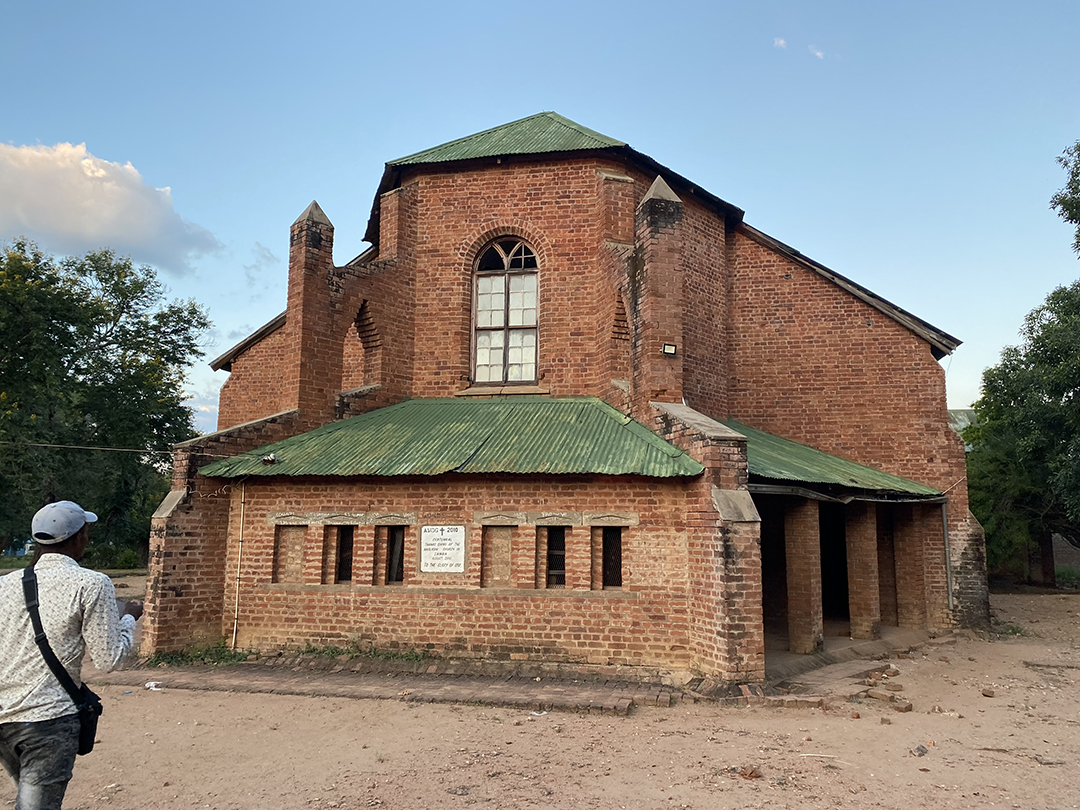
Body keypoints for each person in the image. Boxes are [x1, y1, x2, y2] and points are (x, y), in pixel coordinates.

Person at [0, 501, 143, 810]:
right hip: (49, 720)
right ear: (78, 538)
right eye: (86, 533)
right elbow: (110, 658)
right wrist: (129, 618)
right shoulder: (91, 583)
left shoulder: (5, 585)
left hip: (4, 716)